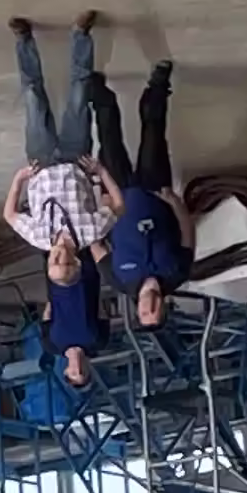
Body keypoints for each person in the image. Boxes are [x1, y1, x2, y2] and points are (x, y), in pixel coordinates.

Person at [6, 20, 111, 392]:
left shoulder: (52, 342)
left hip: (55, 245)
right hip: (79, 243)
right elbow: (102, 303)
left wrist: (52, 260)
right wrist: (95, 252)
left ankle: (24, 40)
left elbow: (48, 309)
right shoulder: (98, 339)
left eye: (72, 373)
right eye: (83, 372)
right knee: (79, 96)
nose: (77, 367)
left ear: (65, 370)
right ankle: (82, 34)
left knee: (34, 99)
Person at [91, 58, 188, 337]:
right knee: (154, 135)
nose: (149, 307)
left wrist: (101, 209)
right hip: (155, 192)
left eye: (144, 313)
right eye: (154, 312)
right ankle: (158, 84)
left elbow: (95, 245)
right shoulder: (177, 274)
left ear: (137, 311)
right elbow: (187, 233)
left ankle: (99, 93)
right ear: (164, 308)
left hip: (118, 194)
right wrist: (174, 202)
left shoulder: (119, 279)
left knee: (109, 140)